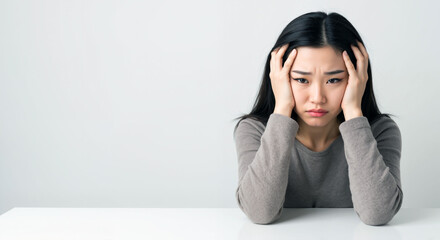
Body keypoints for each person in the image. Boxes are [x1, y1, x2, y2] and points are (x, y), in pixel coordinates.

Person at [232, 11, 403, 226]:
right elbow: (259, 213)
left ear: (357, 79)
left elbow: (378, 214)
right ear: (279, 79)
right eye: (302, 79)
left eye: (334, 80)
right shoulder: (254, 130)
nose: (317, 98)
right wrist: (283, 106)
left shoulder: (381, 131)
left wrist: (353, 111)